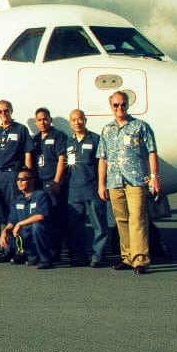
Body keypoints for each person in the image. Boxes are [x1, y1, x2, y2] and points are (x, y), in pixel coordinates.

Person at [98, 91, 161, 275]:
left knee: (138, 218)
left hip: (136, 179)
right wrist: (101, 184)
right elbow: (103, 158)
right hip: (114, 180)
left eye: (123, 104)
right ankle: (127, 257)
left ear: (128, 105)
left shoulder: (140, 126)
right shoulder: (107, 130)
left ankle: (140, 259)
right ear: (111, 107)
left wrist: (154, 176)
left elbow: (151, 151)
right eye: (116, 105)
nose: (120, 108)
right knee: (121, 220)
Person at [0, 100, 33, 261]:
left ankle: (21, 251)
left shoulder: (21, 129)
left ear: (11, 111)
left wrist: (28, 177)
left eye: (6, 111)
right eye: (0, 112)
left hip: (14, 175)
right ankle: (6, 250)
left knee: (18, 212)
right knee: (2, 215)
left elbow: (28, 153)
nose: (3, 114)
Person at [65, 109, 108, 267]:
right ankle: (79, 255)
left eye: (80, 119)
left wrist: (102, 185)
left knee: (99, 225)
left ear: (85, 120)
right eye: (74, 120)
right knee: (75, 225)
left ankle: (98, 255)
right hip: (74, 191)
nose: (77, 122)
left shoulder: (96, 139)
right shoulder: (69, 142)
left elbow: (103, 164)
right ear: (70, 123)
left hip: (92, 188)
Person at [0, 167, 54, 269]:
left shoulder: (41, 195)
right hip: (24, 234)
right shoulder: (17, 200)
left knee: (37, 226)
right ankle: (20, 253)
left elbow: (41, 215)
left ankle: (45, 259)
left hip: (38, 234)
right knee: (8, 230)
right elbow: (12, 221)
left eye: (23, 179)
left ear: (32, 181)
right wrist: (4, 232)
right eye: (18, 179)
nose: (20, 182)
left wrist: (20, 224)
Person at [32, 107, 68, 262]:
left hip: (52, 183)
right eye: (39, 120)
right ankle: (43, 252)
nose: (42, 122)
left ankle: (56, 252)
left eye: (45, 119)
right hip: (39, 183)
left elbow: (62, 159)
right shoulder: (35, 139)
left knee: (54, 217)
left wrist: (57, 181)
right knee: (41, 218)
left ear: (50, 119)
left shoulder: (58, 136)